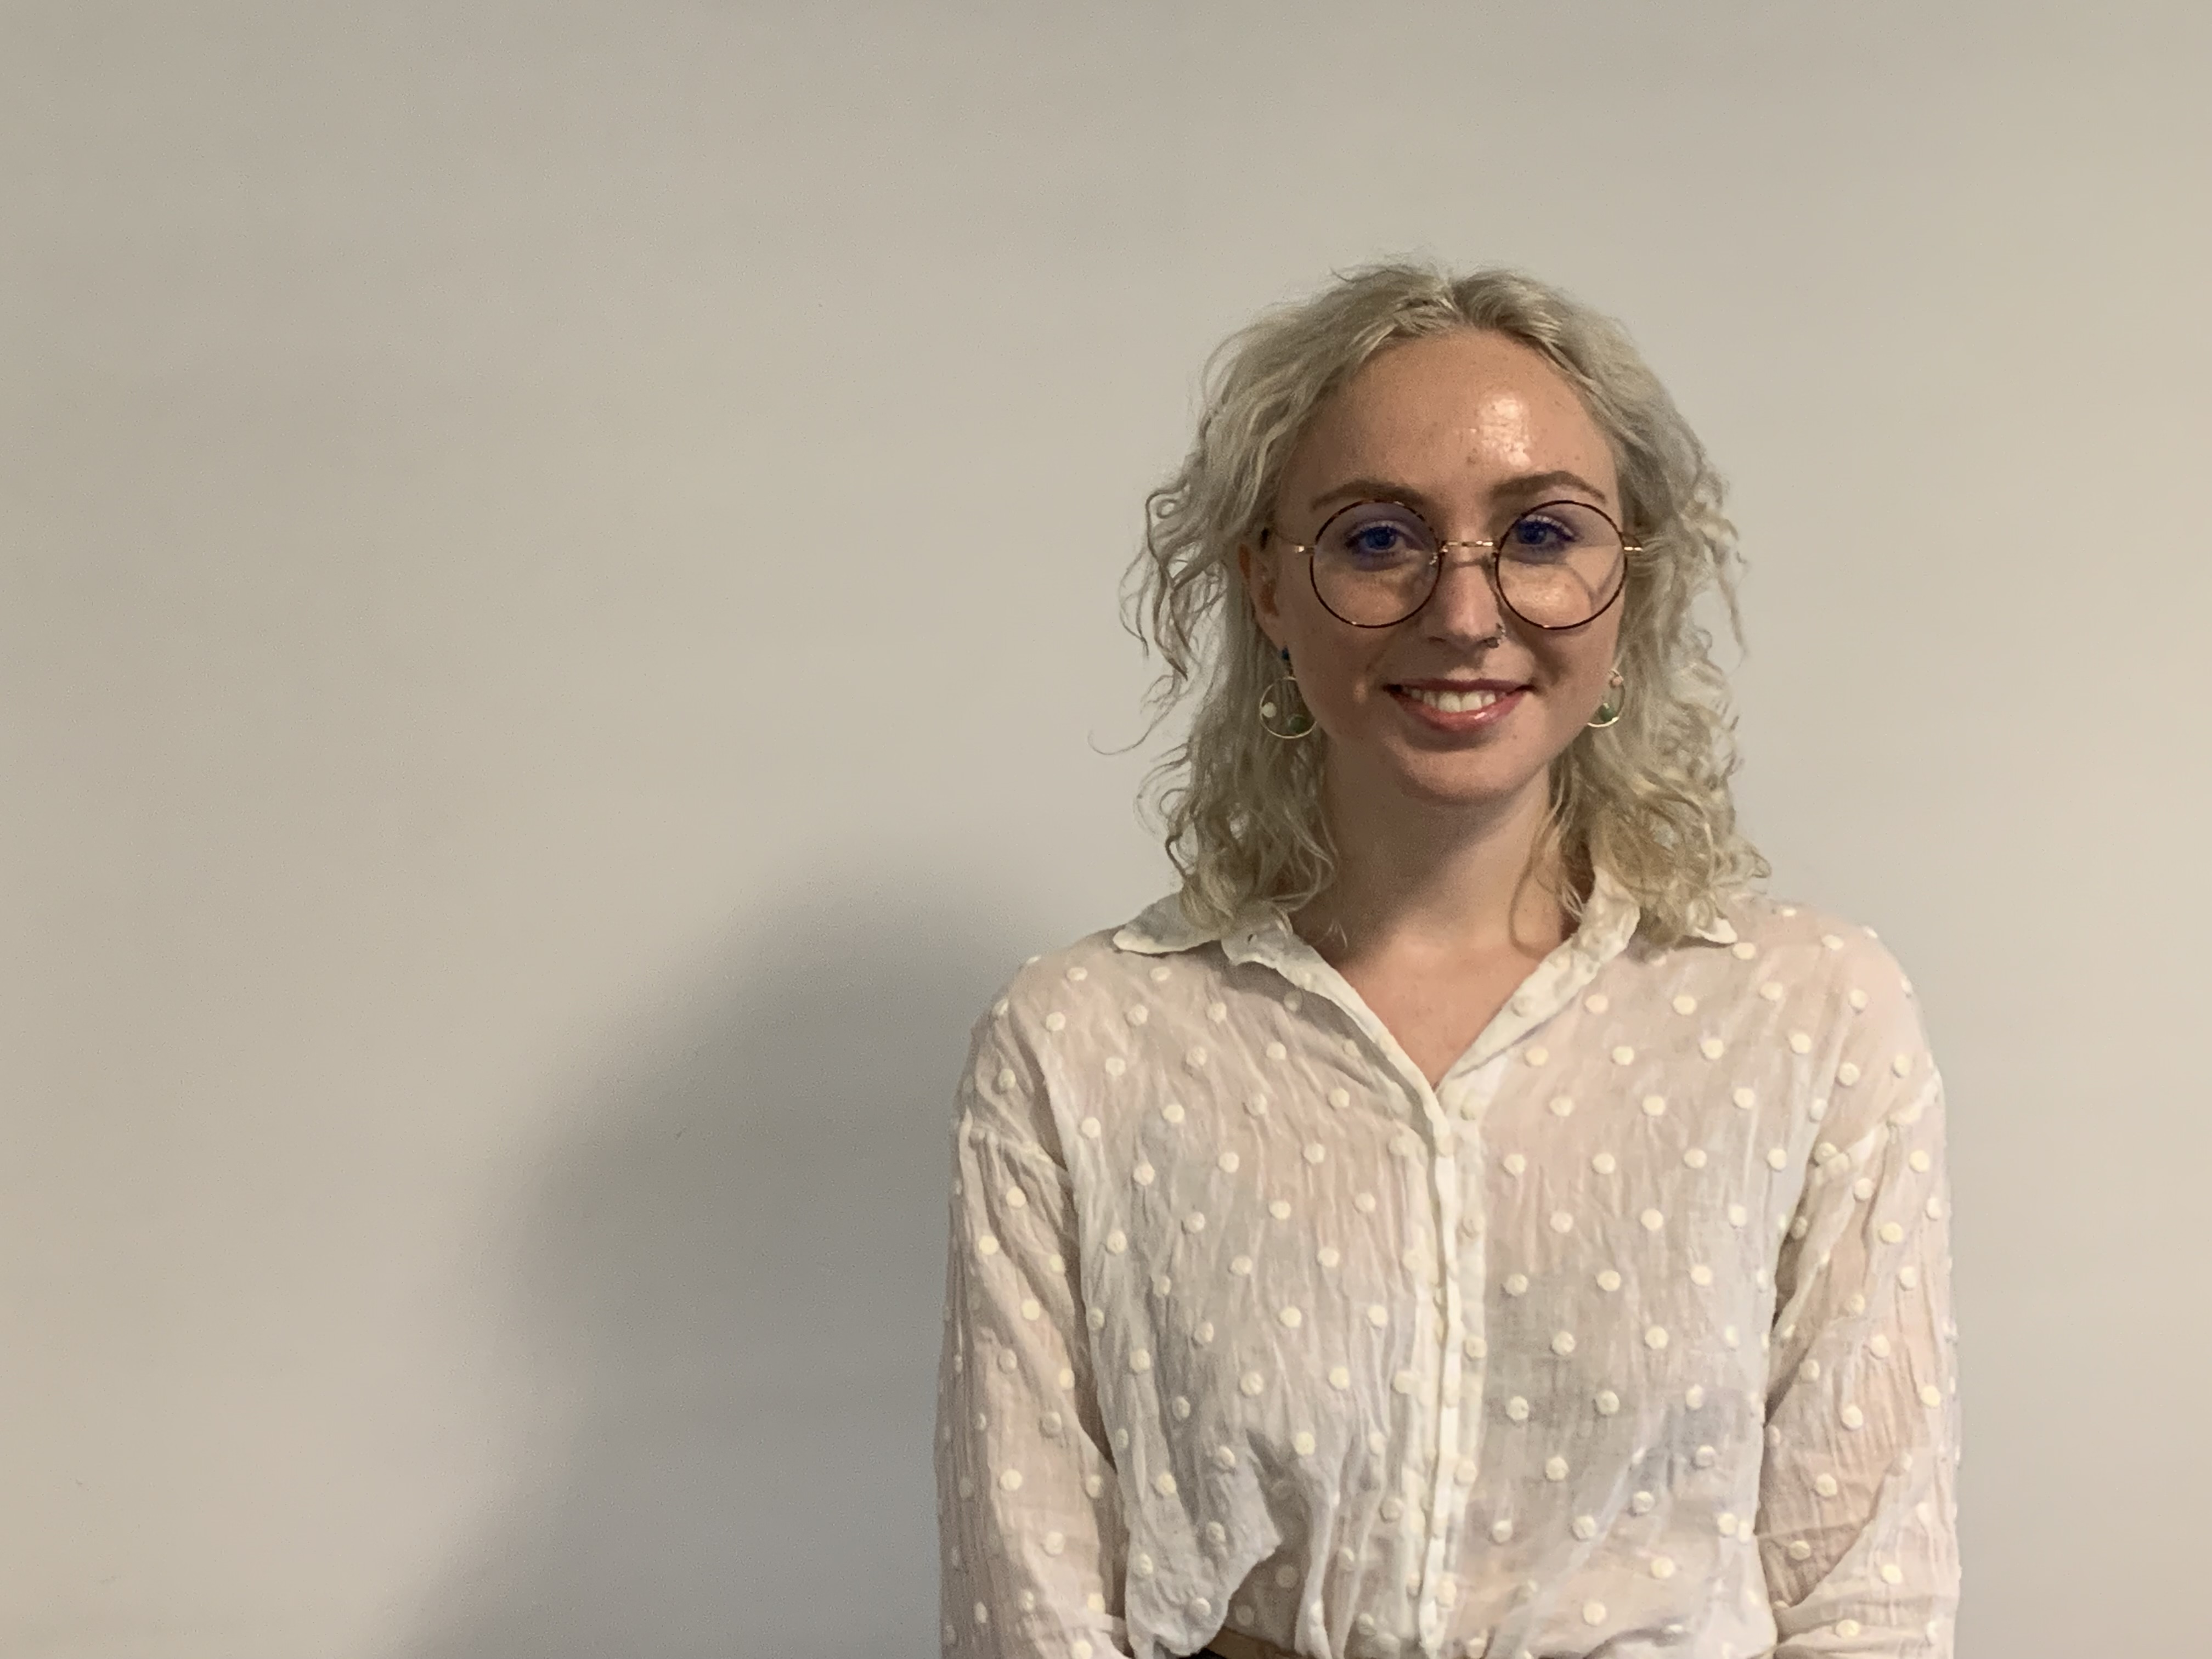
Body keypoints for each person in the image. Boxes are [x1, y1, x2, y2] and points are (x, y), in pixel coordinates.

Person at [932, 263, 1961, 1659]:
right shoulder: (1079, 1048)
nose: (1466, 615)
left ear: (1629, 577)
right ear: (1267, 586)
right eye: (1377, 539)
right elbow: (1029, 1612)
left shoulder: (1810, 1018)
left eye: (1541, 533)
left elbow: (1867, 1600)